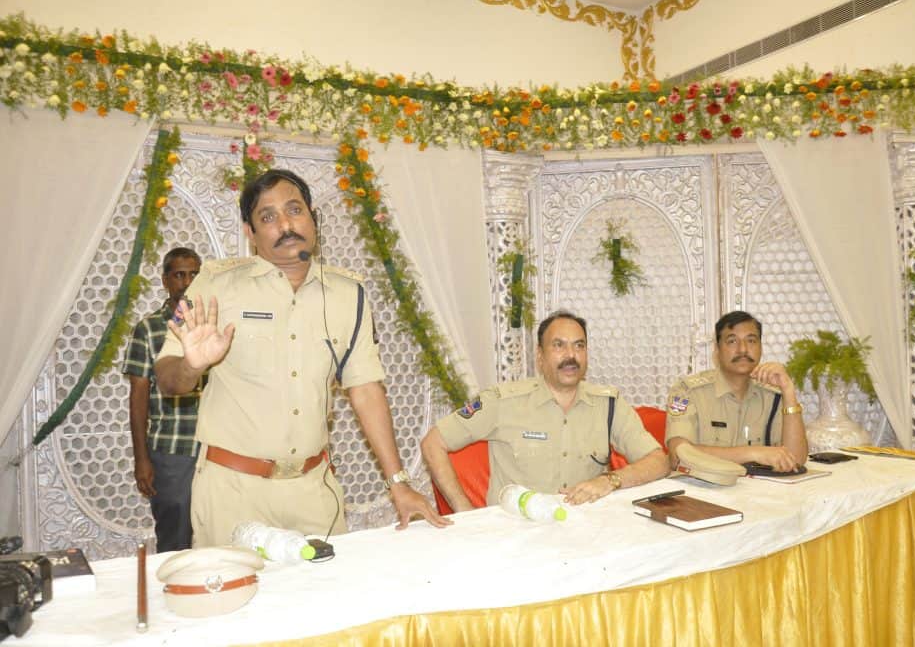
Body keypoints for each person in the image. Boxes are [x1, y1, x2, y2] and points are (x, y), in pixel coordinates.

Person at [154, 169, 448, 547]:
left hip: (313, 490)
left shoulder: (349, 295)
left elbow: (365, 389)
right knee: (238, 588)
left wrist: (399, 483)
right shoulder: (215, 284)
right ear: (250, 233)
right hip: (232, 492)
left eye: (294, 210)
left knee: (329, 585)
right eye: (268, 217)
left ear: (312, 217)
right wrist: (191, 365)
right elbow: (167, 379)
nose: (286, 225)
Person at [421, 310, 669, 509]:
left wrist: (610, 480)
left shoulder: (608, 404)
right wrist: (464, 512)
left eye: (579, 346)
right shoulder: (502, 401)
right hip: (517, 536)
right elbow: (433, 443)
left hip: (584, 533)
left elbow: (659, 461)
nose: (571, 355)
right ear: (540, 356)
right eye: (559, 345)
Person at [123, 247, 204, 552]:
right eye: (179, 275)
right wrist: (141, 459)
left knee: (220, 537)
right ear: (165, 280)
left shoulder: (211, 326)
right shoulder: (148, 329)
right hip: (172, 450)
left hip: (216, 448)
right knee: (175, 541)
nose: (187, 282)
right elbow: (138, 397)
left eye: (194, 274)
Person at [665, 310, 808, 472]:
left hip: (759, 486)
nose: (743, 349)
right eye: (732, 341)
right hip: (704, 485)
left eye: (751, 340)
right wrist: (753, 453)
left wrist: (788, 390)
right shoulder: (687, 391)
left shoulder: (773, 395)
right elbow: (677, 455)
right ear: (717, 350)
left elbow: (796, 460)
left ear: (761, 347)